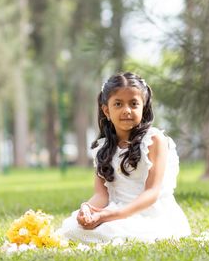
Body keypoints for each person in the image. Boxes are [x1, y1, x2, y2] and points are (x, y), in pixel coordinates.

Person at [57, 72, 191, 243]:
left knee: (116, 231)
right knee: (72, 227)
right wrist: (88, 209)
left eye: (134, 104)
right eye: (118, 104)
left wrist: (113, 215)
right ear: (106, 110)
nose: (127, 110)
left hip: (150, 212)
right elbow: (101, 195)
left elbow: (152, 192)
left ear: (144, 107)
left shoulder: (154, 140)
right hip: (115, 210)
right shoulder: (102, 149)